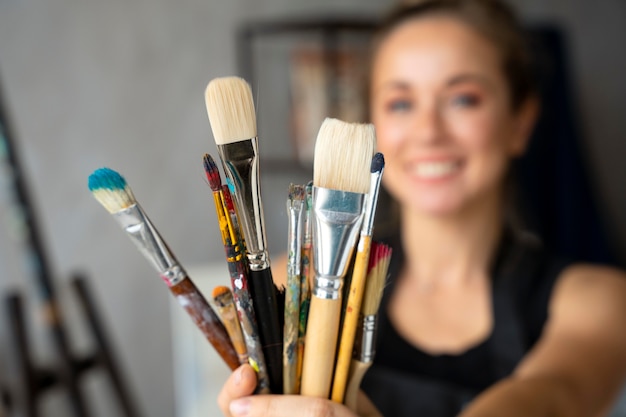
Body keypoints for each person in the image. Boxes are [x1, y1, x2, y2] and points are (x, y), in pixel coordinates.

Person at [218, 0, 626, 415]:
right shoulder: (292, 282)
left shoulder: (596, 299)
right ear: (372, 122)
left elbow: (553, 395)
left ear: (521, 121)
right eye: (400, 103)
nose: (428, 132)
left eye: (463, 99)